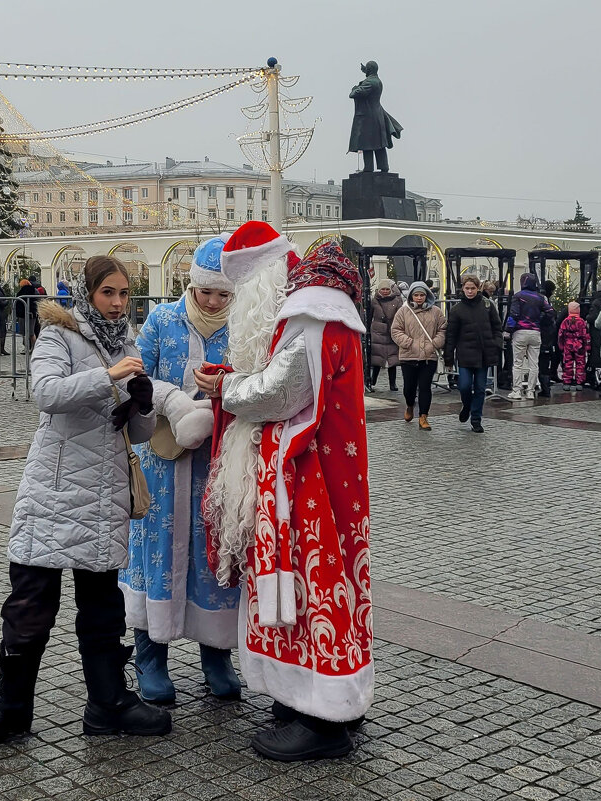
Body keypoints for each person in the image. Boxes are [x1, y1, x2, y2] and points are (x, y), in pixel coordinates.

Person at [0, 255, 171, 752]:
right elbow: (46, 394)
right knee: (30, 604)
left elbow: (134, 433)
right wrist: (109, 375)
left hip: (105, 494)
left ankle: (108, 704)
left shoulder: (127, 342)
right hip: (54, 492)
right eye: (108, 293)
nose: (118, 303)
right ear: (87, 293)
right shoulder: (59, 334)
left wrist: (142, 403)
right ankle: (11, 707)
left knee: (102, 608)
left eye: (124, 294)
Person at [194, 226, 371, 762]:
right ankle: (303, 699)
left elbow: (282, 392)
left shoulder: (312, 313)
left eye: (241, 290)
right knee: (307, 588)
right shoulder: (315, 308)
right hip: (312, 475)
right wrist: (233, 378)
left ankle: (325, 721)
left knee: (317, 588)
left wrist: (226, 387)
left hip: (309, 479)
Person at [122, 235, 241, 706]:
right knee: (159, 553)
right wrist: (171, 400)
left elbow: (257, 379)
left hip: (217, 460)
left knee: (211, 554)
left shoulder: (241, 328)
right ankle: (150, 653)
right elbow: (137, 376)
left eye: (222, 295)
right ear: (190, 286)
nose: (212, 301)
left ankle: (217, 652)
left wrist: (225, 391)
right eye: (205, 292)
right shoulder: (162, 320)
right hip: (164, 460)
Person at [444, 273, 503, 433]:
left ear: (478, 288)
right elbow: (451, 335)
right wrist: (448, 357)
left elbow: (497, 327)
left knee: (480, 388)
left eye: (473, 288)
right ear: (462, 289)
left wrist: (497, 343)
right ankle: (467, 404)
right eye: (467, 288)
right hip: (464, 354)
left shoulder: (487, 305)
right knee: (463, 386)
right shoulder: (457, 310)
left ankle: (476, 419)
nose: (470, 291)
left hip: (484, 353)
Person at [391, 281, 446, 430]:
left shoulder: (436, 311)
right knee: (409, 388)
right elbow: (396, 330)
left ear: (427, 295)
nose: (419, 298)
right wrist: (408, 343)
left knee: (425, 387)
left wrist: (434, 343)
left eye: (422, 295)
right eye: (416, 295)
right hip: (408, 356)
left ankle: (423, 416)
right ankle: (410, 405)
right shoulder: (403, 312)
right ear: (411, 296)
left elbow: (443, 329)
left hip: (429, 357)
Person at [504, 272, 552, 400]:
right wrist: (540, 321)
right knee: (534, 363)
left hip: (520, 332)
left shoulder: (518, 296)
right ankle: (531, 391)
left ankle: (517, 391)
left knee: (518, 363)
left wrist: (508, 330)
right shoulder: (540, 298)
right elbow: (550, 312)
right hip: (535, 332)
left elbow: (513, 314)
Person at [366, 278, 402, 392]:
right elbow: (369, 316)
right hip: (378, 332)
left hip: (392, 331)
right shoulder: (374, 301)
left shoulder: (397, 300)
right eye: (383, 289)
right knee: (377, 358)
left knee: (392, 360)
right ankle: (372, 381)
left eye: (387, 289)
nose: (385, 291)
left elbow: (400, 315)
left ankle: (393, 383)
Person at [557, 302, 590, 391]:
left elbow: (561, 334)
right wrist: (587, 346)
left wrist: (561, 345)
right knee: (580, 364)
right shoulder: (581, 321)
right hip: (579, 346)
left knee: (568, 363)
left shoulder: (565, 321)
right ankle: (579, 382)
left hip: (568, 345)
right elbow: (585, 335)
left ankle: (567, 381)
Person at [537, 279, 559, 396]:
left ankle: (543, 387)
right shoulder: (548, 308)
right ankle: (545, 387)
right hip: (547, 337)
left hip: (541, 336)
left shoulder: (538, 303)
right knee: (544, 361)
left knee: (540, 361)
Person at [15, 278, 40, 352]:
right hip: (32, 314)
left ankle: (27, 348)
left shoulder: (21, 292)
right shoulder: (35, 291)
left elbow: (18, 303)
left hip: (23, 314)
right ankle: (34, 348)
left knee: (25, 333)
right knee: (31, 333)